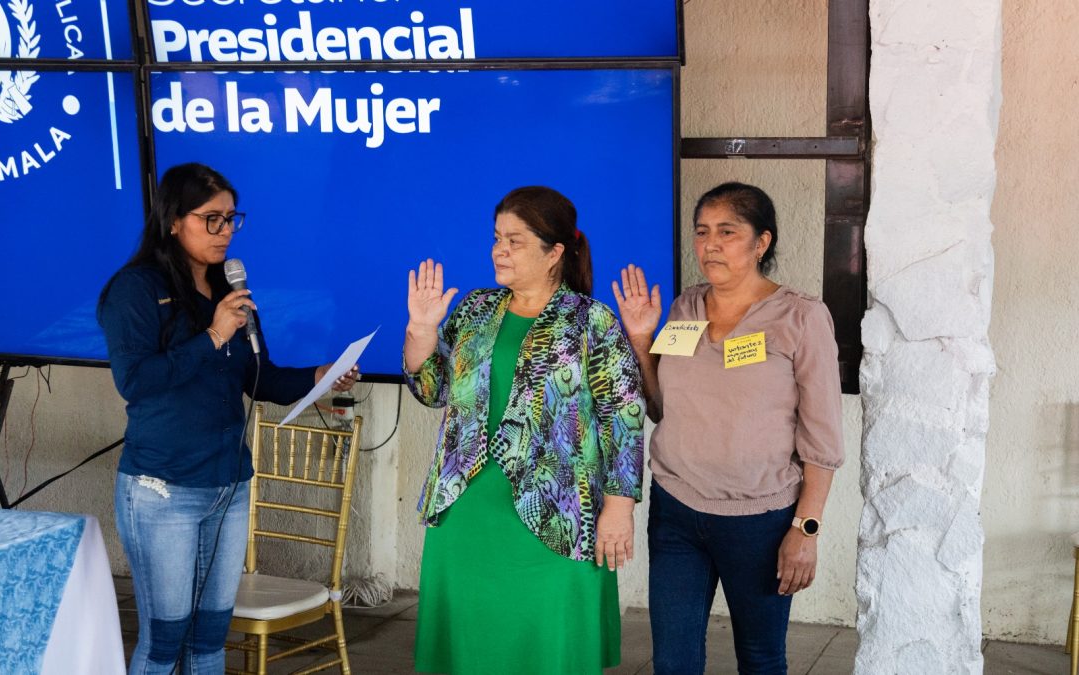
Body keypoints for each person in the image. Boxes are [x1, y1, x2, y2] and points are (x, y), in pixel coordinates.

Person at [97, 162, 358, 674]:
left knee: (211, 638)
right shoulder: (136, 289)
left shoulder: (231, 292)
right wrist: (214, 335)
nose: (224, 232)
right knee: (165, 638)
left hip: (228, 486)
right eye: (210, 219)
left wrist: (320, 377)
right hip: (163, 488)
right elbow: (137, 382)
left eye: (231, 219)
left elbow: (259, 380)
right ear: (174, 221)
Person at [403, 186, 646, 674]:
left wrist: (619, 508)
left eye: (514, 241)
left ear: (555, 252)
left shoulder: (591, 321)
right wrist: (420, 331)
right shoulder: (475, 309)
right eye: (496, 238)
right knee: (472, 646)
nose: (499, 250)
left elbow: (624, 416)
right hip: (467, 509)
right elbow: (431, 388)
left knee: (547, 646)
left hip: (555, 514)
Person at [612, 182, 844, 674]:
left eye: (727, 231)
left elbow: (822, 441)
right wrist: (639, 338)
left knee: (760, 659)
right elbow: (658, 406)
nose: (710, 244)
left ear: (761, 243)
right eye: (702, 231)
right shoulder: (684, 307)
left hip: (759, 521)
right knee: (673, 662)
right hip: (676, 511)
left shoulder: (800, 317)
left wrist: (806, 529)